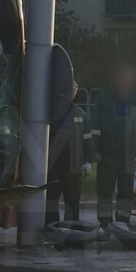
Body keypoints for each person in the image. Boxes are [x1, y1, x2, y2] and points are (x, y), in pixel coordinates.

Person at [91, 64, 136, 228]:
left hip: (128, 155)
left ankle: (123, 223)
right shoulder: (104, 98)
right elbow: (95, 126)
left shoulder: (135, 99)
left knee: (126, 190)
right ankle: (105, 223)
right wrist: (95, 150)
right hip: (107, 153)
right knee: (104, 190)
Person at [46, 82, 91, 224]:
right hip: (53, 167)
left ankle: (71, 231)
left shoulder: (81, 114)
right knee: (51, 201)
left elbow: (87, 139)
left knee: (72, 202)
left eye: (74, 90)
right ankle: (52, 230)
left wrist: (87, 161)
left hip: (73, 167)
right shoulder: (51, 112)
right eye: (69, 90)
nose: (72, 92)